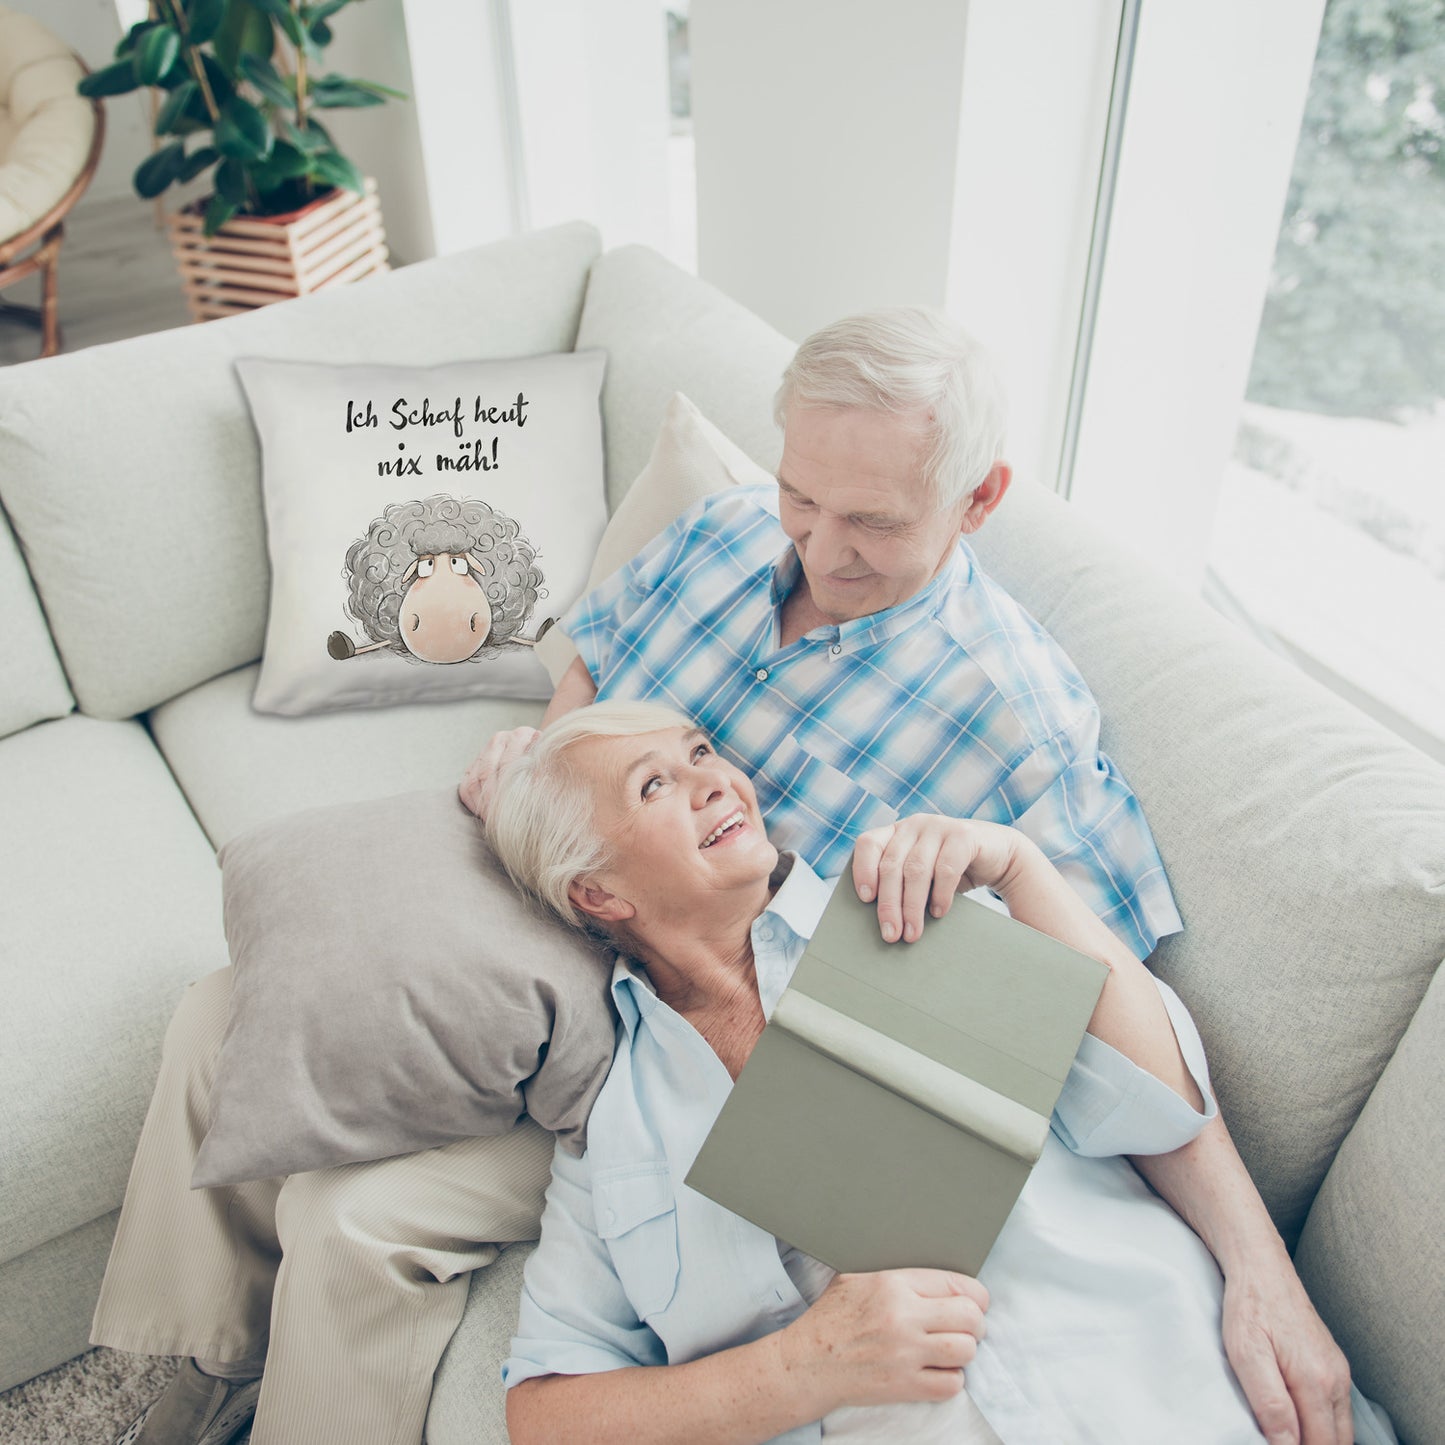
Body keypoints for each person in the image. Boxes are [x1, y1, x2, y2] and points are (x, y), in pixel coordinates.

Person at [94, 309, 1349, 1445]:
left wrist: (1259, 1266)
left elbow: (1103, 1020)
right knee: (229, 1007)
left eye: (871, 520)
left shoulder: (1017, 726)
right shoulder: (726, 532)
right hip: (580, 886)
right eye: (804, 495)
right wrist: (545, 764)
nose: (819, 545)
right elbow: (591, 665)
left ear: (976, 501)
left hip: (694, 1012)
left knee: (355, 1218)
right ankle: (193, 1362)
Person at [486, 701, 1384, 1445]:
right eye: (655, 784)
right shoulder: (614, 1132)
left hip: (1173, 1392)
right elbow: (545, 1412)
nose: (714, 779)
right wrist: (803, 1367)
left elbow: (1158, 1106)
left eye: (700, 751)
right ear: (597, 893)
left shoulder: (908, 907)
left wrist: (1021, 869)